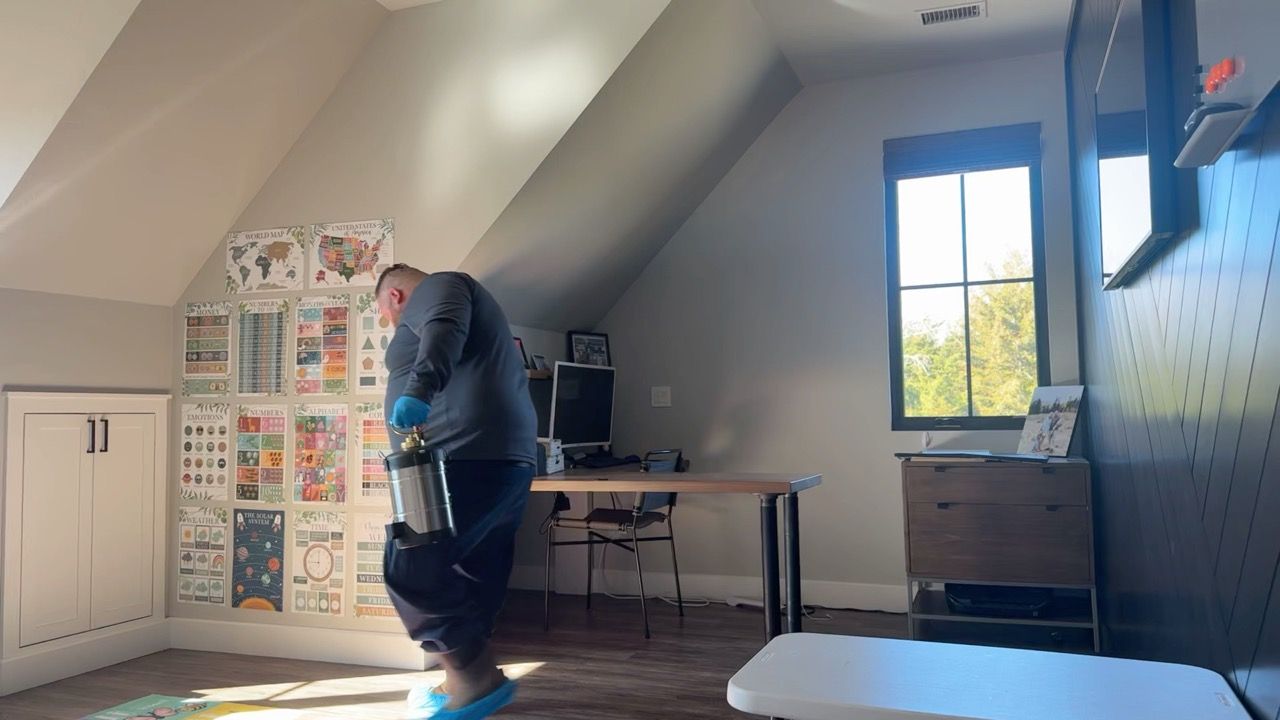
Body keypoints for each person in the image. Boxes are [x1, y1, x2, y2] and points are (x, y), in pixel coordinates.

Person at [376, 264, 536, 719]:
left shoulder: (442, 286)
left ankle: (474, 677)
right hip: (494, 458)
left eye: (385, 317)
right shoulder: (454, 296)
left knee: (412, 565)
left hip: (463, 457)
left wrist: (420, 391)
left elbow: (444, 328)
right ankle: (460, 685)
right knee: (472, 571)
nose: (391, 326)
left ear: (394, 295)